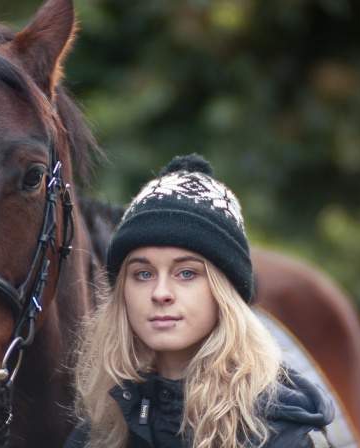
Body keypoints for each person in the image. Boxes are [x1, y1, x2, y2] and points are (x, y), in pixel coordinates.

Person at [66, 154, 334, 448]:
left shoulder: (277, 434)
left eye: (186, 273)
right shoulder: (99, 432)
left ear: (224, 292)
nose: (160, 292)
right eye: (143, 273)